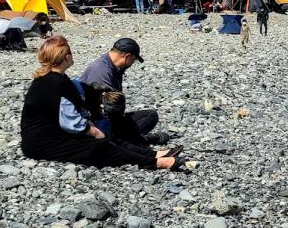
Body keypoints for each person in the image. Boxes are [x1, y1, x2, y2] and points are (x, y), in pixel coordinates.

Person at [20, 37, 181, 170]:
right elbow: (70, 121)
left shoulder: (52, 79)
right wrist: (93, 130)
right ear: (66, 57)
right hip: (44, 143)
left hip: (51, 136)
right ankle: (156, 163)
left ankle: (152, 155)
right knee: (100, 146)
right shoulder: (54, 83)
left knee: (108, 140)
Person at [79, 38, 169, 147]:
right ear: (127, 56)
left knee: (150, 116)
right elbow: (104, 110)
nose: (132, 63)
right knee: (136, 123)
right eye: (133, 60)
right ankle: (132, 140)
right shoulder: (102, 71)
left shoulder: (112, 66)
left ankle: (131, 139)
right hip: (96, 122)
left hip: (109, 116)